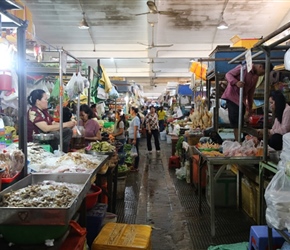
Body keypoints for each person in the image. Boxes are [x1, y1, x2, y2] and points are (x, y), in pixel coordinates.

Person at [221, 63, 269, 141]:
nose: (262, 75)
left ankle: (240, 140)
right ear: (260, 66)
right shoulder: (243, 67)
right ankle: (238, 141)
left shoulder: (255, 77)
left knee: (241, 121)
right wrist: (236, 82)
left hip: (241, 101)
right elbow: (228, 74)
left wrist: (250, 107)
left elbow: (251, 93)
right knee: (236, 122)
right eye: (263, 72)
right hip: (232, 97)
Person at [128, 107, 141, 171]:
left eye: (130, 110)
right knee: (134, 152)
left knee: (136, 152)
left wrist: (135, 139)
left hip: (134, 137)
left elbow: (135, 129)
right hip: (132, 136)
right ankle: (134, 165)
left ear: (133, 111)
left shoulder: (136, 119)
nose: (130, 111)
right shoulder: (134, 118)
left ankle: (136, 167)